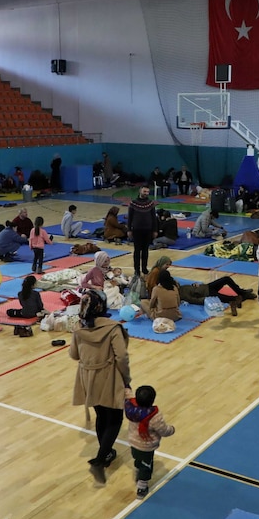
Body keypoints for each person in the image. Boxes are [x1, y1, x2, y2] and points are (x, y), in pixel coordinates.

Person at [69, 290, 130, 487]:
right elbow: (121, 357)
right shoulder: (113, 328)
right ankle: (100, 459)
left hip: (87, 377)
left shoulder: (79, 326)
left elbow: (74, 355)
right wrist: (127, 380)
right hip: (109, 376)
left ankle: (106, 453)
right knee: (116, 417)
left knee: (101, 415)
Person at [124, 384, 175, 498]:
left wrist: (126, 385)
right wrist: (171, 430)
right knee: (146, 466)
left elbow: (127, 396)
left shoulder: (130, 408)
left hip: (133, 442)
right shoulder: (154, 416)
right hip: (147, 446)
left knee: (137, 458)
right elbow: (163, 430)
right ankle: (142, 487)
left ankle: (138, 469)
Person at [128, 186, 158, 276]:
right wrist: (129, 229)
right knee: (137, 251)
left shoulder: (151, 203)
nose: (146, 193)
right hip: (137, 230)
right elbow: (130, 217)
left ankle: (144, 268)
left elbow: (154, 218)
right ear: (140, 191)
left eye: (148, 192)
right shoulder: (133, 203)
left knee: (145, 251)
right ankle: (136, 270)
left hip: (148, 230)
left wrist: (155, 230)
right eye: (144, 191)